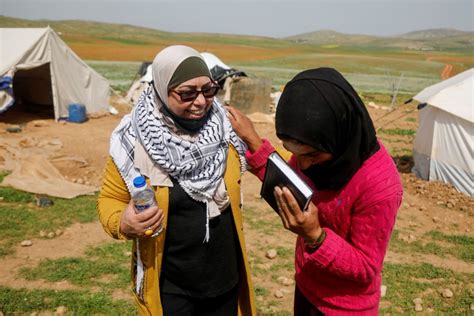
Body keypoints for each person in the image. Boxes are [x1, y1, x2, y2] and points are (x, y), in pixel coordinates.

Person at [226, 67, 403, 315]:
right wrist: (253, 140)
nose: (304, 165)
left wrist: (315, 236)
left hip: (343, 308)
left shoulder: (379, 184)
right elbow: (291, 183)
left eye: (311, 155)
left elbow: (365, 268)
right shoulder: (325, 153)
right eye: (296, 154)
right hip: (308, 290)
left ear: (338, 133)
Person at [97, 45, 256, 316]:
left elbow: (274, 160)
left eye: (208, 90)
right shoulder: (134, 139)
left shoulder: (227, 128)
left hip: (225, 278)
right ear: (160, 88)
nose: (201, 102)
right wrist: (123, 223)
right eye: (186, 94)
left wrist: (254, 139)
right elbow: (110, 199)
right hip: (170, 284)